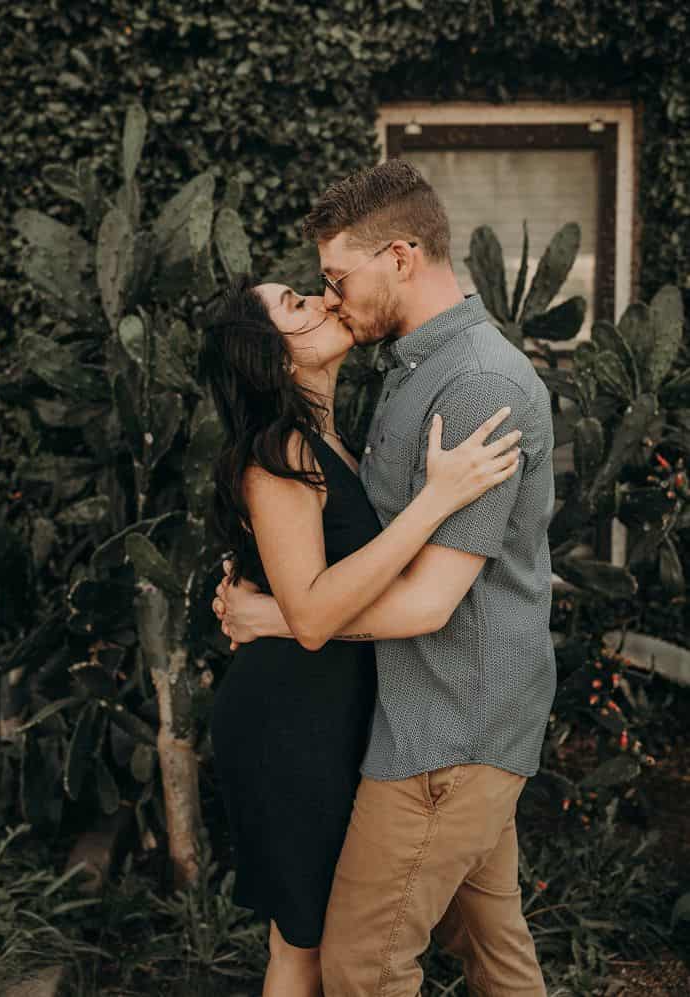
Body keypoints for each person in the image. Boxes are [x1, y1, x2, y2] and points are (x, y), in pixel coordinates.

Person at [214, 159, 555, 997]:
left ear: (400, 257)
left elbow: (433, 597)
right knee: (495, 951)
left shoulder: (473, 382)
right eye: (314, 290)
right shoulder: (402, 374)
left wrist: (279, 618)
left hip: (446, 726)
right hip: (391, 718)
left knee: (362, 965)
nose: (331, 296)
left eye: (336, 278)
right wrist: (288, 612)